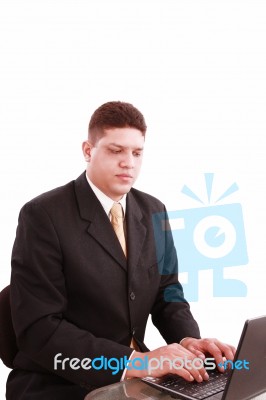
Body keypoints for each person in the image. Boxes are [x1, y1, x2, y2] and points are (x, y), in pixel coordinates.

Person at [6, 101, 235, 399]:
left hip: (138, 380)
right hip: (64, 381)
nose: (129, 162)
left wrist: (188, 340)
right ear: (88, 151)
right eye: (116, 151)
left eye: (137, 152)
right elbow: (39, 328)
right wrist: (137, 362)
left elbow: (168, 295)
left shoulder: (154, 210)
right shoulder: (43, 215)